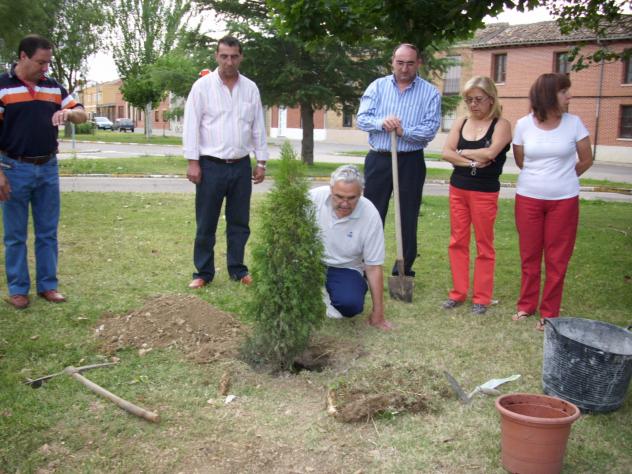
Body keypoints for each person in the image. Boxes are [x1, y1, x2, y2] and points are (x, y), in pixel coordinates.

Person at [0, 34, 87, 310]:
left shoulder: (53, 87)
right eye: (41, 62)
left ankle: (48, 286)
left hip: (47, 168)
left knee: (47, 232)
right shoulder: (3, 87)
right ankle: (18, 289)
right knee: (15, 234)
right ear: (23, 57)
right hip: (12, 167)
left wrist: (69, 114)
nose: (45, 68)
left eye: (48, 62)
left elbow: (82, 113)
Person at [183, 36, 268, 289]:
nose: (229, 62)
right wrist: (193, 162)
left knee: (239, 222)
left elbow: (258, 126)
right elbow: (191, 125)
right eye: (224, 56)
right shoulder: (202, 87)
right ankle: (203, 272)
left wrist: (261, 161)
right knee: (206, 222)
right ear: (216, 56)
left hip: (241, 165)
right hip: (210, 165)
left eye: (233, 56)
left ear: (241, 57)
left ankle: (238, 269)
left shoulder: (250, 88)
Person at [512, 73, 593, 331]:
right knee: (529, 255)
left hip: (564, 201)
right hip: (528, 199)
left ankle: (549, 313)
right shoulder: (523, 125)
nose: (570, 96)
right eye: (564, 91)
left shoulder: (574, 124)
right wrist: (542, 177)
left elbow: (587, 159)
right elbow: (520, 160)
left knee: (557, 259)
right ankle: (526, 306)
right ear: (548, 95)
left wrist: (565, 176)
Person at [356, 43, 441, 277]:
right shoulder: (377, 87)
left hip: (411, 161)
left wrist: (404, 132)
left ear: (419, 63)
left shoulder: (430, 92)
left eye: (410, 63)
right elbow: (362, 119)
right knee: (372, 213)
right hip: (379, 159)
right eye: (400, 62)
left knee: (408, 214)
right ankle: (366, 264)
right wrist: (381, 122)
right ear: (392, 61)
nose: (404, 68)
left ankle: (403, 268)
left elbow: (430, 129)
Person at [441, 76, 512, 315]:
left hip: (485, 192)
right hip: (458, 189)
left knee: (484, 244)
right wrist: (471, 161)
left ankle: (481, 298)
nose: (473, 104)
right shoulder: (461, 122)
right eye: (469, 100)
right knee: (457, 241)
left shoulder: (501, 125)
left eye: (478, 99)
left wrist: (460, 153)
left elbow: (491, 153)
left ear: (491, 99)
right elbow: (446, 152)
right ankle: (458, 293)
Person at [309, 165, 393, 331]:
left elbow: (373, 267)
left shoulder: (370, 214)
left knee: (350, 306)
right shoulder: (313, 198)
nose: (344, 204)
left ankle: (330, 291)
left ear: (361, 192)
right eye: (339, 197)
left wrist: (378, 314)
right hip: (310, 262)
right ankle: (318, 291)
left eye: (351, 198)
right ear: (331, 189)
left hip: (345, 267)